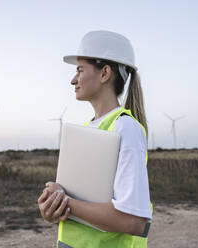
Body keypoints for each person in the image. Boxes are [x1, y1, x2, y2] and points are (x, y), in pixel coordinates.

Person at [37, 30, 152, 248]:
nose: (73, 80)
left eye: (80, 70)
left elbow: (133, 221)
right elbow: (82, 206)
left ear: (104, 73)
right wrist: (53, 207)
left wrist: (66, 201)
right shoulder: (88, 129)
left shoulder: (126, 128)